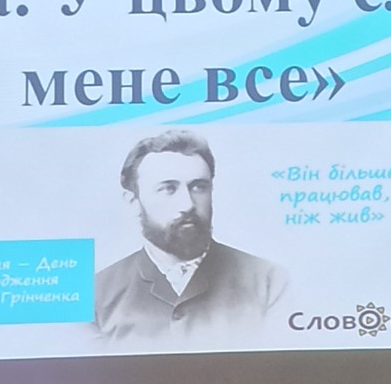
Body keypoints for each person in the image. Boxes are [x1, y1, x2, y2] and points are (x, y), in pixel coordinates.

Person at [95, 130, 288, 339]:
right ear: (133, 202)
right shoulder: (97, 294)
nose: (187, 204)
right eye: (168, 189)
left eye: (198, 187)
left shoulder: (268, 281)